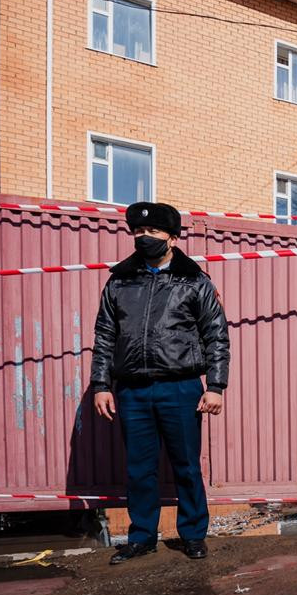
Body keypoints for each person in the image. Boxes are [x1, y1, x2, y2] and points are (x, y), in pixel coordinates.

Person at [90, 201, 230, 563]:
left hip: (180, 388)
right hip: (132, 390)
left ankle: (193, 534)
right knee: (139, 469)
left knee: (186, 466)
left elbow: (216, 335)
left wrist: (215, 386)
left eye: (152, 231)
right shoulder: (120, 281)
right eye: (138, 231)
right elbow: (105, 335)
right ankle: (141, 537)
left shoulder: (195, 281)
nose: (144, 237)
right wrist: (101, 385)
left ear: (172, 237)